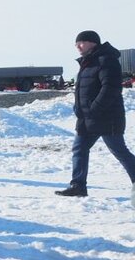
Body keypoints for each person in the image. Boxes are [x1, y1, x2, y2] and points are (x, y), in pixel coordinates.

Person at [56, 30, 135, 203]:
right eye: (76, 43)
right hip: (87, 118)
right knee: (79, 148)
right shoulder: (87, 62)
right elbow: (82, 90)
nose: (77, 46)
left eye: (81, 42)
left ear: (93, 43)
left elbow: (111, 88)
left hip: (107, 117)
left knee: (119, 151)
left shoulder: (106, 60)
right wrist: (79, 108)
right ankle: (78, 186)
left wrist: (94, 109)